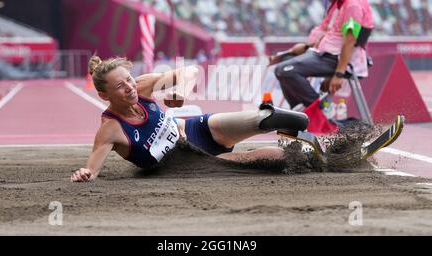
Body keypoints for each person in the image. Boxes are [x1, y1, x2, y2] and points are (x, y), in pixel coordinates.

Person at [70, 55, 309, 182]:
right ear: (104, 95)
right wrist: (84, 174)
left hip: (198, 130)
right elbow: (92, 170)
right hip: (190, 164)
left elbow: (190, 71)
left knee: (261, 119)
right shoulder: (110, 129)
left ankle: (290, 123)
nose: (130, 88)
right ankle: (312, 157)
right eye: (121, 87)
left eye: (129, 80)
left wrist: (181, 92)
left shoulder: (142, 87)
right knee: (268, 159)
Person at [269, 0, 374, 109]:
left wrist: (338, 74)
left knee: (284, 70)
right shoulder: (340, 2)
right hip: (327, 56)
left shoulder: (353, 3)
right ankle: (300, 113)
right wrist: (306, 48)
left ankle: (318, 113)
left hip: (336, 60)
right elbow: (329, 35)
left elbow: (350, 41)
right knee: (284, 64)